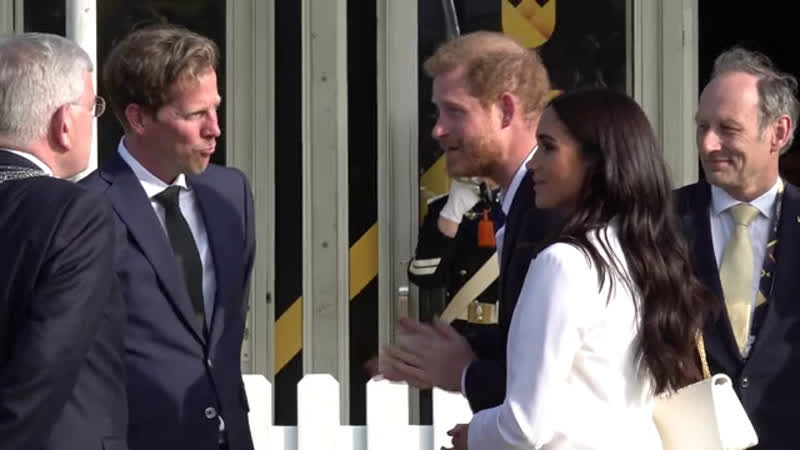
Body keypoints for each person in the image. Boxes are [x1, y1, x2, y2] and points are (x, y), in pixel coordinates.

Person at [446, 88, 715, 449]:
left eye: (548, 146)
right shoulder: (644, 254)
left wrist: (472, 435)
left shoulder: (564, 264)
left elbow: (524, 426)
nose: (532, 163)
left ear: (596, 160)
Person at [81, 25, 255, 450]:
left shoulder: (232, 192)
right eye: (196, 114)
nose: (215, 129)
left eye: (216, 109)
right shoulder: (83, 210)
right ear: (139, 118)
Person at [380, 31, 564, 413]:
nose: (438, 129)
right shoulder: (519, 201)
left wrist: (463, 371)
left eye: (455, 111)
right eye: (438, 111)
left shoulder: (552, 210)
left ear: (506, 111)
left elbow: (558, 383)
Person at [0, 33, 127, 450]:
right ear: (64, 123)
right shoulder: (76, 212)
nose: (96, 121)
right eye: (94, 109)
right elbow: (46, 361)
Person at [678, 47, 800, 449]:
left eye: (727, 129)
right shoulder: (659, 221)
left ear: (778, 133)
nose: (709, 144)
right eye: (702, 127)